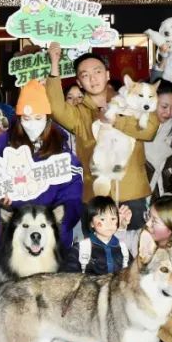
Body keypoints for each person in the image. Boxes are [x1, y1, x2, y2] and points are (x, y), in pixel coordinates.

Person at [45, 43, 159, 224]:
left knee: (135, 240)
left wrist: (116, 121)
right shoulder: (79, 113)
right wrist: (54, 63)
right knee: (94, 243)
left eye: (97, 72)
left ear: (107, 75)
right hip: (95, 196)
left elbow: (150, 130)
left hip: (131, 193)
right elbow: (56, 108)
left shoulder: (131, 100)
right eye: (85, 75)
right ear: (79, 82)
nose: (92, 78)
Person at [0, 80, 84, 262]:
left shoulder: (61, 151)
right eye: (26, 118)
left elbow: (73, 198)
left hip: (48, 246)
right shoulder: (2, 143)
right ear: (18, 118)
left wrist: (54, 227)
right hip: (6, 245)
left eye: (38, 118)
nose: (32, 124)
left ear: (48, 118)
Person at [64, 196, 130, 342]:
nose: (109, 224)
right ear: (91, 222)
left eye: (113, 219)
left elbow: (131, 276)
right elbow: (68, 278)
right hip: (88, 309)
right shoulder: (82, 248)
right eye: (102, 219)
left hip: (114, 308)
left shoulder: (123, 248)